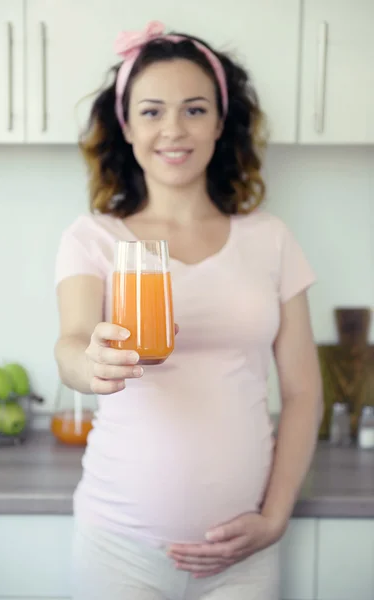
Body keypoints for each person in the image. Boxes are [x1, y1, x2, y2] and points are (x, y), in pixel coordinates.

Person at [54, 20, 323, 600]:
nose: (173, 129)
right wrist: (92, 359)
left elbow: (303, 392)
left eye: (195, 110)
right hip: (116, 551)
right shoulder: (95, 238)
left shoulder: (271, 240)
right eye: (151, 111)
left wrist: (275, 519)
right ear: (125, 125)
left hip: (243, 557)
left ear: (221, 123)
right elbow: (72, 344)